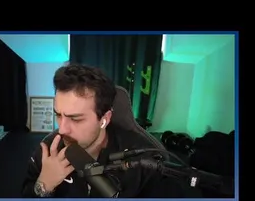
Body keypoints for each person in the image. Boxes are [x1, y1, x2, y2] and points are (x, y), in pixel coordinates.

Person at [21, 64, 183, 198]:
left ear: (104, 119)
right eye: (58, 115)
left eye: (75, 119)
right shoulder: (47, 152)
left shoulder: (142, 160)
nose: (62, 129)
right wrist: (44, 185)